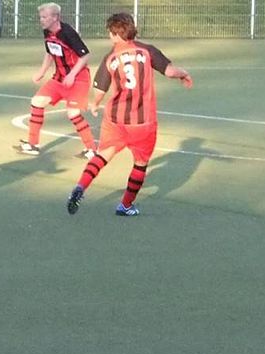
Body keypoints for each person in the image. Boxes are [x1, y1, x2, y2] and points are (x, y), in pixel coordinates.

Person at [65, 12, 192, 217]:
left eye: (110, 32)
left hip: (115, 119)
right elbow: (169, 71)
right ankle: (125, 205)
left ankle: (80, 186)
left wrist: (95, 104)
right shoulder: (147, 50)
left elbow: (100, 89)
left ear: (115, 34)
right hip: (143, 122)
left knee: (102, 155)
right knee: (140, 164)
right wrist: (183, 73)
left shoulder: (110, 57)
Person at [14, 2, 96, 159]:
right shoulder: (47, 31)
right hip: (59, 78)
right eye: (41, 17)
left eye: (44, 17)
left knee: (73, 113)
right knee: (37, 102)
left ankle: (91, 149)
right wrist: (41, 72)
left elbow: (85, 55)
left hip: (78, 79)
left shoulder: (68, 33)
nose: (41, 20)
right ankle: (33, 145)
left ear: (55, 17)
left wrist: (72, 75)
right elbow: (49, 52)